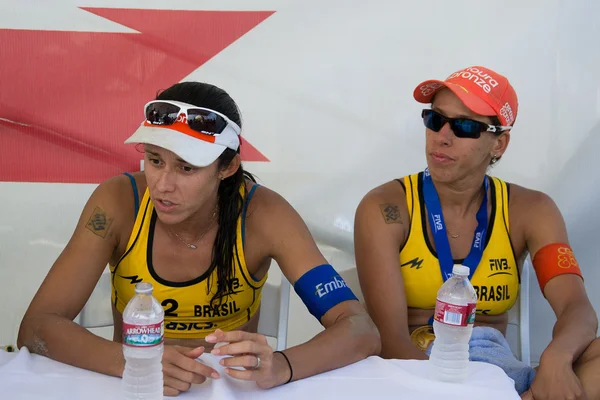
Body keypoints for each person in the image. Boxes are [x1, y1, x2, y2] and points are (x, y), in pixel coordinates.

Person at [18, 81, 380, 396]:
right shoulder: (118, 203)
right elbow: (36, 327)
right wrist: (135, 362)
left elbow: (359, 328)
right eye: (155, 160)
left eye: (186, 167)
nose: (163, 185)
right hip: (136, 387)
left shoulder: (264, 215)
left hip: (228, 391)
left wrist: (282, 366)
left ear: (228, 167)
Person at [353, 66, 600, 399]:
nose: (442, 135)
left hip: (497, 376)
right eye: (434, 119)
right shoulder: (384, 208)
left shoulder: (532, 210)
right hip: (414, 372)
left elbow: (577, 308)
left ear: (499, 143)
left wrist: (557, 356)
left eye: (464, 127)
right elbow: (391, 342)